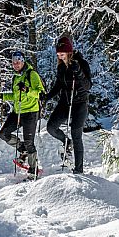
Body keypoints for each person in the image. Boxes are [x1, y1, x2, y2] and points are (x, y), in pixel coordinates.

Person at [43, 36, 92, 174]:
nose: (60, 56)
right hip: (65, 102)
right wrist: (47, 97)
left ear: (69, 52)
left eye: (62, 54)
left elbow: (88, 86)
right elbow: (59, 85)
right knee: (51, 127)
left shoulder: (82, 63)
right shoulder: (61, 67)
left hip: (80, 103)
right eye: (58, 54)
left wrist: (79, 72)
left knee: (76, 133)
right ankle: (66, 141)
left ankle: (79, 169)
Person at [0, 51, 45, 179]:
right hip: (18, 112)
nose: (15, 65)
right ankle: (23, 150)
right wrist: (2, 96)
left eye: (18, 62)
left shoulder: (32, 74)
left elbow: (40, 93)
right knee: (3, 134)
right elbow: (16, 96)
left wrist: (27, 90)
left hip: (31, 112)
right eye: (13, 63)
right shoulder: (16, 77)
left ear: (23, 61)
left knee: (29, 142)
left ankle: (33, 170)